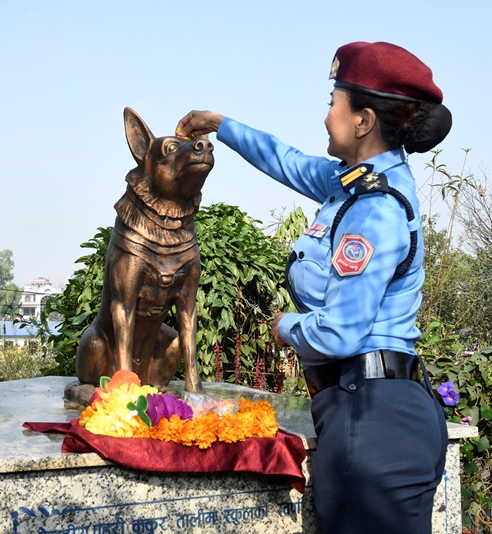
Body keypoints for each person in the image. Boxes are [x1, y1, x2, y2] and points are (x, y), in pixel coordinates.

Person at [176, 41, 452, 533]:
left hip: (372, 422)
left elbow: (340, 334)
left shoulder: (373, 208)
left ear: (363, 120)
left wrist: (286, 326)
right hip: (374, 412)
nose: (326, 117)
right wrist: (221, 124)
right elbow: (286, 161)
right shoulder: (353, 182)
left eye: (333, 104)